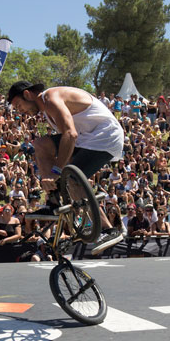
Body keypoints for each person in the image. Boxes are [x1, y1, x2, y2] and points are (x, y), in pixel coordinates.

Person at [7, 81, 123, 251]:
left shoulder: (50, 98)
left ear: (27, 94)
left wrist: (57, 171)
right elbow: (66, 138)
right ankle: (53, 200)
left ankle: (108, 230)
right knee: (40, 144)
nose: (20, 111)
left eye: (19, 105)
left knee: (70, 178)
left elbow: (70, 134)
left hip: (105, 137)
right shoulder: (47, 108)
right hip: (88, 138)